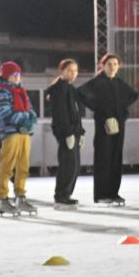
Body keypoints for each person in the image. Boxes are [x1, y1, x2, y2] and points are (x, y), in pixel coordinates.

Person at [77, 53, 139, 205]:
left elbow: (133, 95)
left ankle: (113, 193)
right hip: (104, 124)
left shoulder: (119, 82)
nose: (112, 67)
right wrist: (98, 110)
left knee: (116, 158)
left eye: (115, 64)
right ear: (102, 66)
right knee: (103, 158)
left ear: (118, 67)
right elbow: (80, 94)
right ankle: (101, 194)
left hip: (119, 125)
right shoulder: (97, 82)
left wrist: (122, 114)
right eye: (109, 64)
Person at [0, 62, 39, 216]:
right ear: (7, 76)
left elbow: (32, 112)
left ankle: (20, 196)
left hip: (24, 133)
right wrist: (25, 119)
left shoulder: (21, 92)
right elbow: (5, 113)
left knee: (23, 167)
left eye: (19, 75)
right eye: (14, 75)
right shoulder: (2, 92)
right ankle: (3, 198)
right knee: (7, 167)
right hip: (11, 133)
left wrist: (29, 121)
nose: (17, 77)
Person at [48, 58, 86, 206]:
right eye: (69, 70)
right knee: (68, 164)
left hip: (74, 131)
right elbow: (60, 114)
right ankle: (61, 194)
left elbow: (75, 113)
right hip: (66, 132)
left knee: (75, 165)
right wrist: (67, 133)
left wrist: (80, 132)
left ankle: (66, 193)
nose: (73, 73)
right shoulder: (58, 89)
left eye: (75, 71)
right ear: (62, 71)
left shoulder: (70, 88)